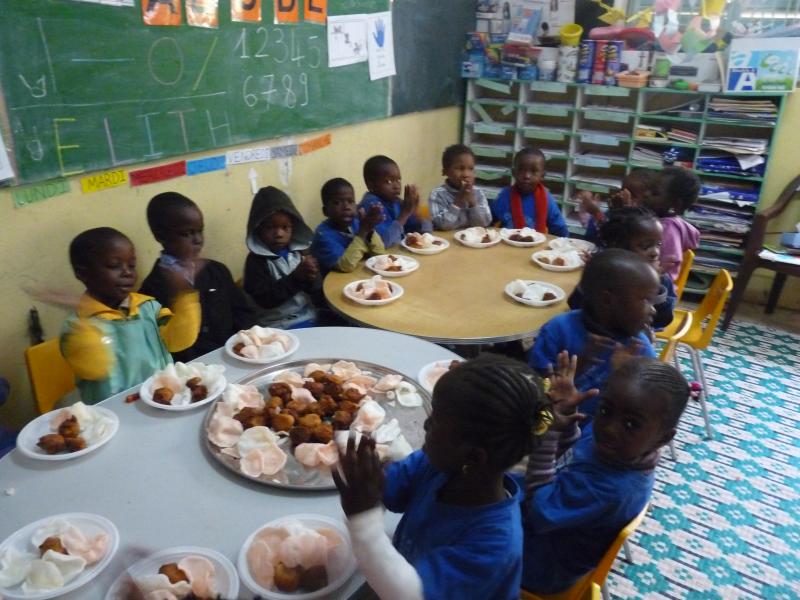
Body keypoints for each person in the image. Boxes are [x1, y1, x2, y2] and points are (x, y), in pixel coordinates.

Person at [333, 355, 551, 600]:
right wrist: (369, 475)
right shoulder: (438, 465)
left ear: (473, 456)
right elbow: (387, 488)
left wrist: (365, 522)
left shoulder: (496, 543)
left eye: (435, 421)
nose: (426, 424)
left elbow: (412, 595)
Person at [521, 354, 689, 595]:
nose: (610, 428)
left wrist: (548, 433)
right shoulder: (615, 447)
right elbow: (572, 451)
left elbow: (539, 511)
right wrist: (566, 419)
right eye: (605, 410)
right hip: (545, 515)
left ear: (663, 438)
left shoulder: (611, 488)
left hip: (539, 564)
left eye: (631, 424)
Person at [61, 227, 200, 404]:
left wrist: (185, 296)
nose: (127, 272)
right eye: (114, 265)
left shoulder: (148, 307)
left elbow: (179, 342)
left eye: (131, 265)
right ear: (82, 274)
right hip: (114, 412)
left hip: (161, 399)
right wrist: (85, 321)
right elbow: (95, 369)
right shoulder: (77, 327)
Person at [529, 249, 659, 416]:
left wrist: (624, 374)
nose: (653, 310)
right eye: (646, 300)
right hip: (552, 421)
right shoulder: (558, 329)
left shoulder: (640, 348)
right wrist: (579, 365)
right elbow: (534, 386)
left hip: (602, 429)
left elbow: (645, 406)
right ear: (607, 300)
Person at [139, 192, 259, 361]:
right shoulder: (151, 291)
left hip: (234, 357)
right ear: (161, 236)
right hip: (190, 369)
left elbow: (244, 314)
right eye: (187, 233)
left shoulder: (217, 271)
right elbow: (161, 344)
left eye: (200, 231)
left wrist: (245, 343)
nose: (197, 240)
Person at [568, 207, 675, 330]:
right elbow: (574, 305)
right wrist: (591, 275)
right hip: (596, 334)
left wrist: (655, 285)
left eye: (658, 244)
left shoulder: (662, 279)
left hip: (636, 338)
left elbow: (663, 320)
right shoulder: (607, 272)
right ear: (619, 246)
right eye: (646, 246)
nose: (655, 252)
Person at [244, 186, 322, 329]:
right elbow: (265, 299)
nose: (279, 234)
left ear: (294, 228)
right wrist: (297, 277)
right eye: (270, 227)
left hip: (308, 316)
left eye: (285, 227)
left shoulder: (299, 252)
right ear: (258, 229)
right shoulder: (256, 262)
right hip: (276, 325)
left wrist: (312, 276)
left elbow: (316, 289)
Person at [310, 177, 385, 274]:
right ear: (325, 211)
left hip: (357, 276)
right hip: (332, 281)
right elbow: (346, 266)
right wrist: (363, 232)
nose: (346, 207)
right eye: (337, 203)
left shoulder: (356, 223)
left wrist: (370, 229)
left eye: (350, 201)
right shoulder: (323, 235)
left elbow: (379, 254)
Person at [357, 155, 432, 248]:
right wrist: (404, 214)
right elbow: (383, 243)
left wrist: (415, 210)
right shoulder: (372, 206)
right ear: (371, 185)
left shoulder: (394, 201)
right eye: (389, 181)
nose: (397, 186)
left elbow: (419, 229)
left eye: (398, 180)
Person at [491, 147, 569, 236]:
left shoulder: (547, 200)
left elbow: (560, 230)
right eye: (521, 170)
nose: (527, 176)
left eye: (534, 171)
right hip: (508, 242)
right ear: (514, 173)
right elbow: (489, 221)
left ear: (542, 176)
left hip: (536, 243)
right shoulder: (504, 196)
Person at [644, 166, 700, 282]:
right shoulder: (660, 219)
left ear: (675, 204)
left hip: (658, 285)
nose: (646, 194)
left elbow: (669, 273)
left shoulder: (668, 230)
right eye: (648, 188)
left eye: (655, 193)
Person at [578, 168, 658, 242]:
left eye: (633, 196)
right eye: (622, 192)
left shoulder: (645, 223)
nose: (623, 197)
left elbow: (610, 236)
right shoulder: (616, 210)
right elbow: (592, 235)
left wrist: (596, 213)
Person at [429, 144, 492, 230]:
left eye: (471, 169)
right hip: (447, 238)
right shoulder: (437, 194)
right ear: (445, 171)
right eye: (460, 169)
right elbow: (443, 225)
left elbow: (484, 223)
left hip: (472, 238)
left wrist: (472, 202)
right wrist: (458, 201)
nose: (466, 174)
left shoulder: (478, 193)